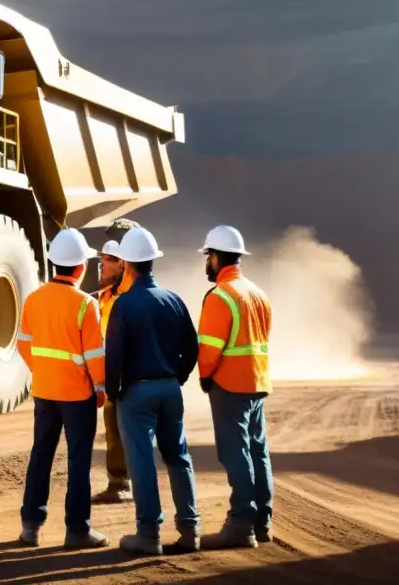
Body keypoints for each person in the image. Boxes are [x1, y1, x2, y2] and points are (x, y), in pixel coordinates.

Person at [104, 227, 201, 556]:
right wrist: (178, 378)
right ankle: (190, 529)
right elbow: (192, 348)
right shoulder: (174, 300)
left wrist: (115, 393)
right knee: (178, 456)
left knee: (142, 460)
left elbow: (114, 357)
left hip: (137, 393)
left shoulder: (124, 305)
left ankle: (149, 535)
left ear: (127, 265)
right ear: (152, 263)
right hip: (170, 389)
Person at [16, 227, 109, 549]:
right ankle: (77, 530)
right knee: (78, 461)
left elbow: (24, 344)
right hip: (77, 394)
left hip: (44, 390)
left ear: (54, 264)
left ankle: (31, 527)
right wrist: (99, 386)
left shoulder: (34, 298)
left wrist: (42, 371)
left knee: (40, 454)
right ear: (81, 268)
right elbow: (95, 353)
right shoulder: (86, 304)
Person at [196, 225, 274, 549]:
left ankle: (240, 525)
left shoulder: (220, 297)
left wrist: (204, 377)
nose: (206, 263)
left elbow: (210, 347)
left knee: (236, 453)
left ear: (215, 257)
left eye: (207, 256)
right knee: (258, 452)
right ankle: (262, 523)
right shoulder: (258, 293)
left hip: (229, 384)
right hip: (257, 382)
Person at [94, 235, 135, 503]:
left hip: (130, 379)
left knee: (129, 431)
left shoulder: (133, 298)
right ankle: (118, 482)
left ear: (122, 264)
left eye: (106, 261)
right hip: (111, 378)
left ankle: (127, 485)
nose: (101, 266)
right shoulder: (104, 297)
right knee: (113, 430)